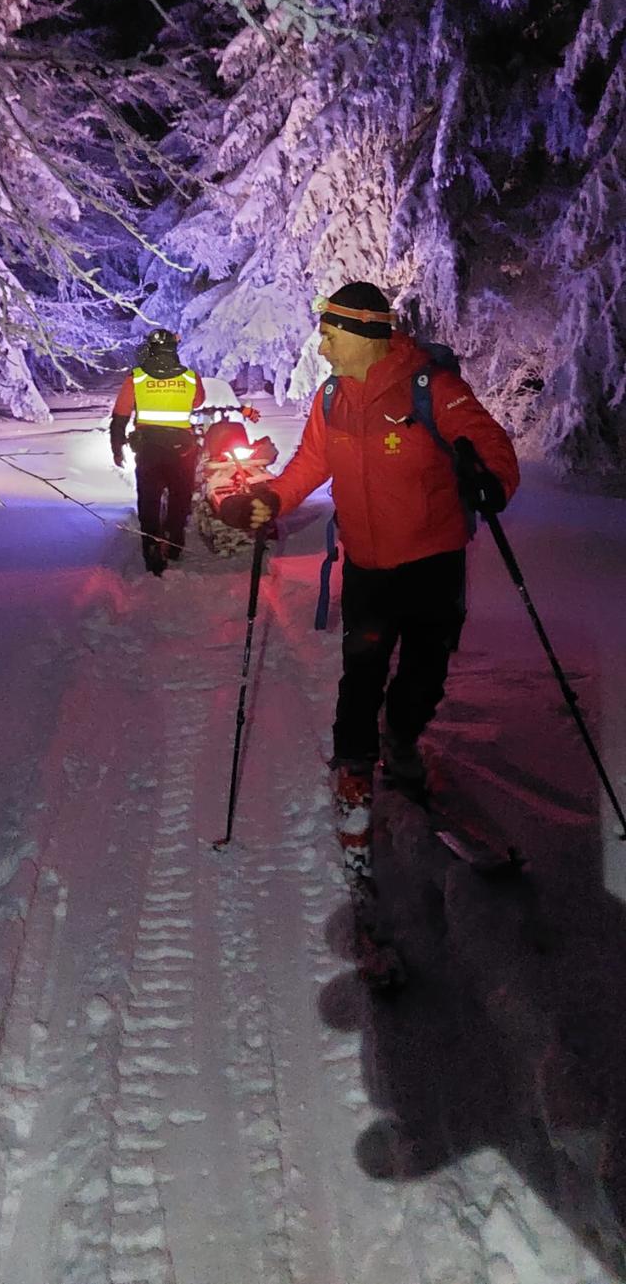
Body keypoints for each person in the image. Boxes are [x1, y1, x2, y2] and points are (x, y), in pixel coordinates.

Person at [250, 281, 519, 962]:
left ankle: (401, 744)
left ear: (366, 333)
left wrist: (490, 479)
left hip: (432, 569)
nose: (321, 343)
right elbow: (310, 464)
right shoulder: (332, 398)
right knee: (360, 673)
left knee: (423, 678)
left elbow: (493, 447)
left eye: (331, 332)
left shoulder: (428, 388)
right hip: (369, 570)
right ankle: (353, 772)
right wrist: (267, 500)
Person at [110, 329, 205, 575]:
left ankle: (151, 546)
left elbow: (120, 414)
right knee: (180, 497)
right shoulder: (191, 378)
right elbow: (198, 402)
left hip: (148, 449)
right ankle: (174, 542)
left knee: (149, 500)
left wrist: (117, 447)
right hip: (182, 449)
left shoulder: (136, 377)